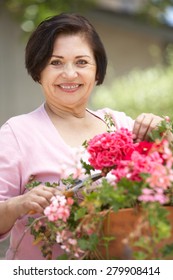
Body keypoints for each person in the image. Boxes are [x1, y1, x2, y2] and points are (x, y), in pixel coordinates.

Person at [0, 13, 164, 260]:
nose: (69, 74)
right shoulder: (17, 133)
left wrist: (163, 135)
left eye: (81, 62)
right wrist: (19, 204)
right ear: (38, 69)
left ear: (97, 70)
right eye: (56, 62)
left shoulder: (119, 124)